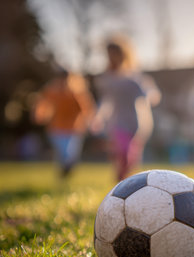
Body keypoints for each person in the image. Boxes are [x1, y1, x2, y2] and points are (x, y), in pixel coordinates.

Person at [92, 37, 154, 181]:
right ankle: (120, 180)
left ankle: (127, 179)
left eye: (115, 54)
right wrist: (98, 117)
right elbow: (106, 101)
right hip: (118, 122)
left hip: (136, 122)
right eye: (109, 55)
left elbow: (149, 96)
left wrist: (149, 93)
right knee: (123, 152)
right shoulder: (107, 80)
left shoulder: (134, 79)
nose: (112, 58)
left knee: (132, 158)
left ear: (124, 55)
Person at [34, 67, 94, 178]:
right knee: (63, 153)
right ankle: (62, 173)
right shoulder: (52, 91)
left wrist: (90, 122)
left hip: (74, 129)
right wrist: (40, 115)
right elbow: (42, 103)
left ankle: (65, 172)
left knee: (71, 156)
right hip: (56, 128)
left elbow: (86, 109)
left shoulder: (76, 93)